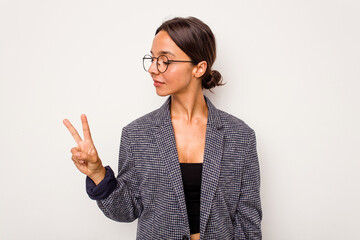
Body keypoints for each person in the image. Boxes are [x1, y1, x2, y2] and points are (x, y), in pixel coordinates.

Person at [63, 16, 262, 240]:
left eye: (164, 60)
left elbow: (248, 223)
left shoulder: (241, 137)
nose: (152, 69)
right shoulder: (136, 134)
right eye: (152, 58)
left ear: (199, 68)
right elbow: (127, 210)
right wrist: (98, 173)